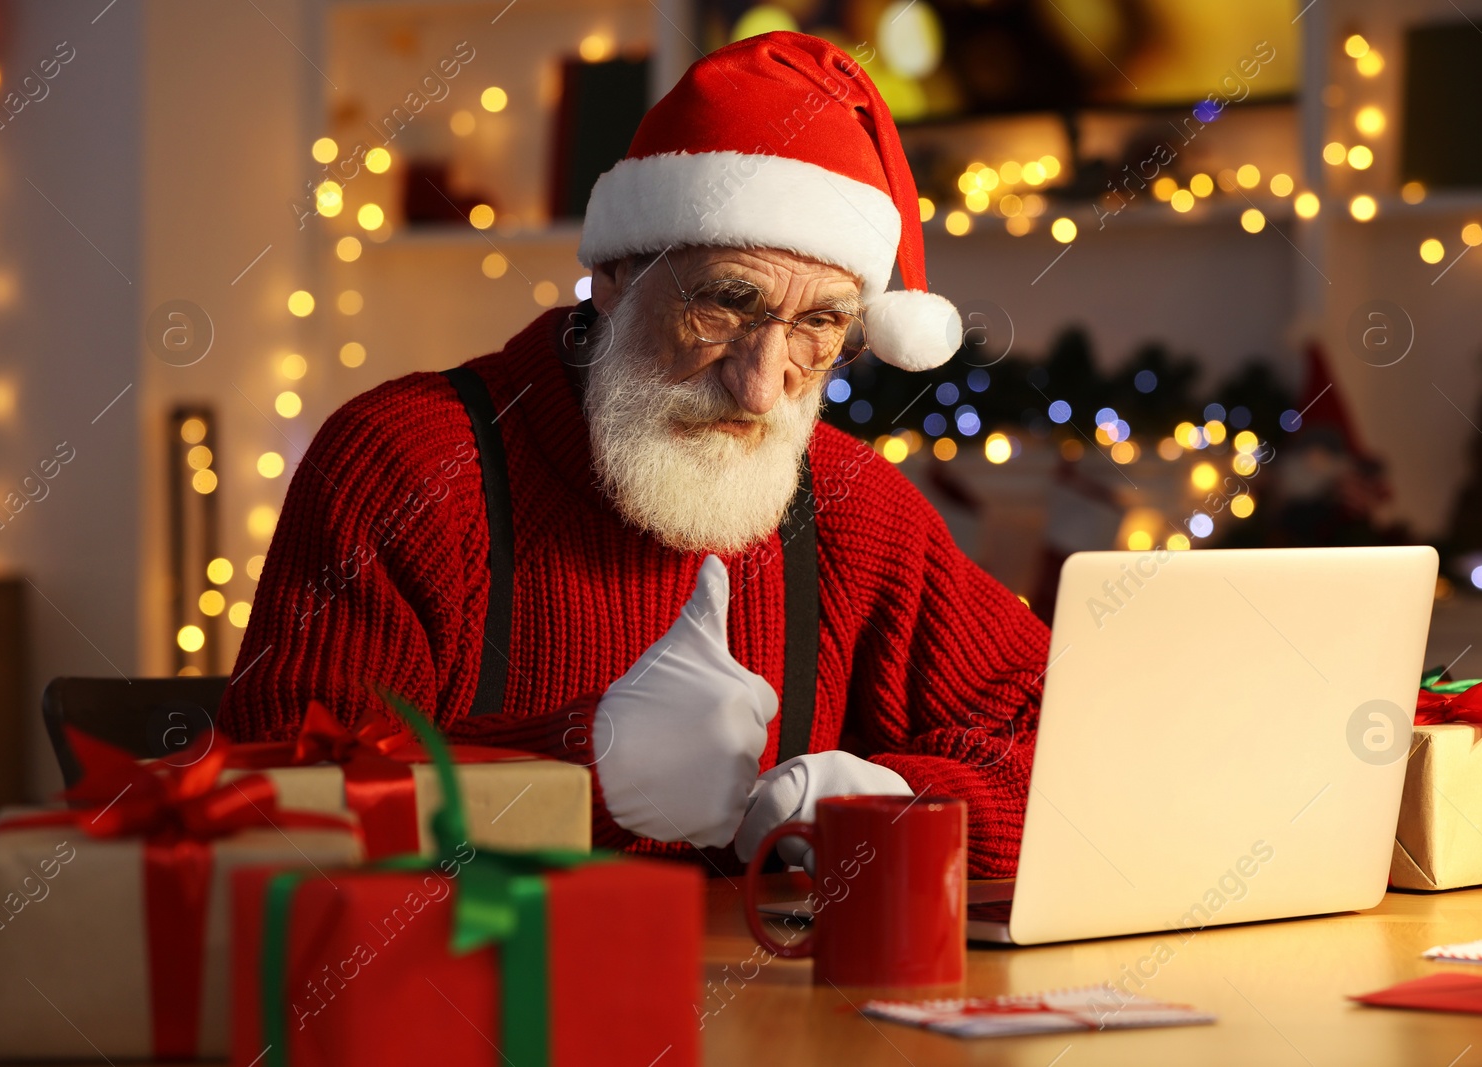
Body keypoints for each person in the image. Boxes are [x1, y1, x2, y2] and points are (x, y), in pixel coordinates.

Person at [218, 31, 1051, 877]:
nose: (763, 387)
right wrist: (585, 769)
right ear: (615, 272)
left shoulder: (850, 506)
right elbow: (279, 810)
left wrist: (887, 804)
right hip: (488, 1002)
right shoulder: (408, 463)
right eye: (727, 303)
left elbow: (1067, 744)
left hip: (768, 1011)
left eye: (820, 324)